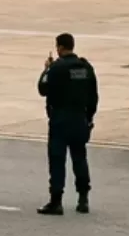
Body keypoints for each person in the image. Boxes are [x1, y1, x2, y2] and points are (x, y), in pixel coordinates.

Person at [36, 32, 99, 215]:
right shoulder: (86, 68)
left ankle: (56, 201)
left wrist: (46, 69)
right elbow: (94, 97)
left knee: (57, 160)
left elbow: (42, 88)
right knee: (80, 158)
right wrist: (89, 118)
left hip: (60, 119)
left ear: (60, 48)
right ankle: (83, 199)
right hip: (80, 118)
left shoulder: (57, 68)